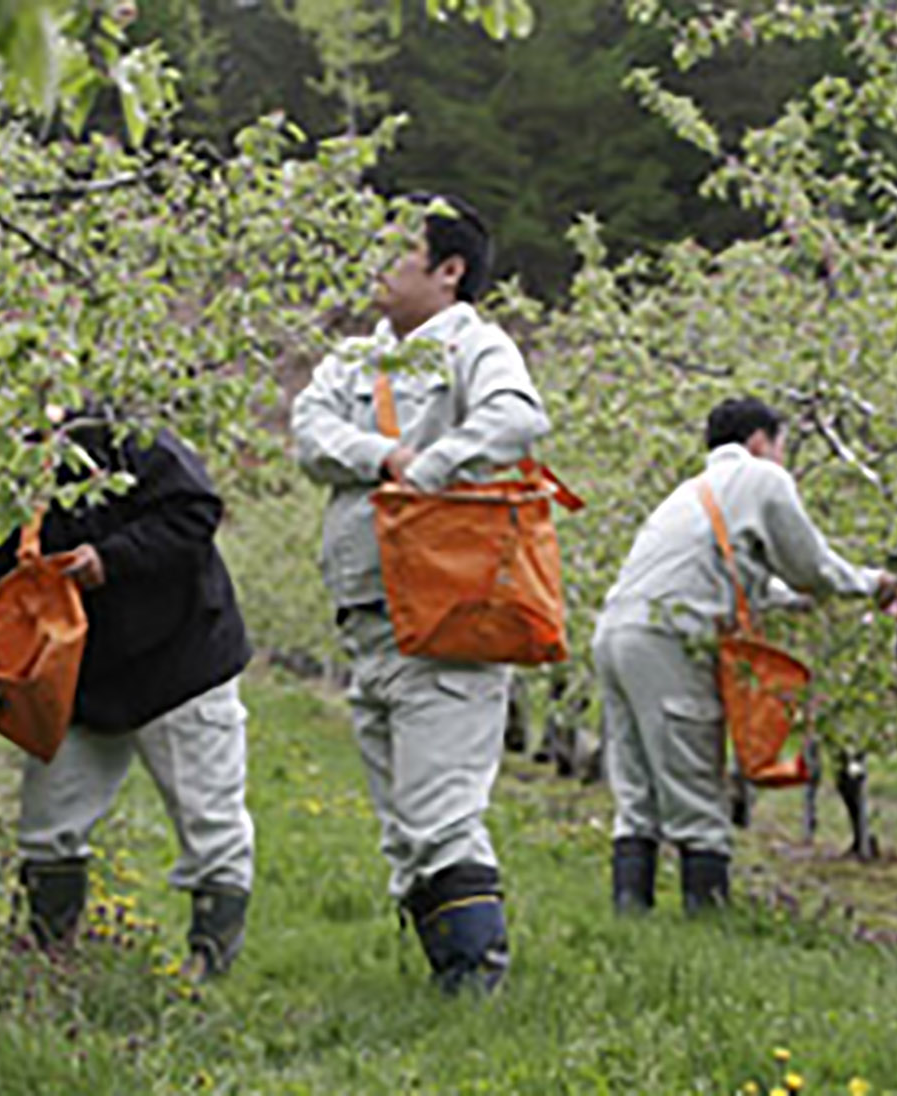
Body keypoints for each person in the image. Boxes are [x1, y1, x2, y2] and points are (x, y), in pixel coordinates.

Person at [0, 416, 255, 980]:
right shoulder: (0, 487)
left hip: (179, 661)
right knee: (48, 828)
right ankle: (53, 963)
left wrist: (111, 559)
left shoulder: (120, 432)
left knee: (210, 820)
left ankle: (209, 965)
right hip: (71, 679)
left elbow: (193, 510)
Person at [290, 196, 550, 993]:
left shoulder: (477, 343)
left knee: (439, 812)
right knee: (405, 823)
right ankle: (445, 977)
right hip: (370, 616)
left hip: (448, 611)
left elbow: (517, 419)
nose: (377, 265)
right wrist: (383, 456)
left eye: (397, 253)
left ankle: (475, 984)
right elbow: (308, 431)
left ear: (449, 270)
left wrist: (430, 471)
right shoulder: (354, 357)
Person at [594, 397, 897, 914]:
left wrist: (791, 600)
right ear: (761, 441)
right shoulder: (762, 478)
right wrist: (871, 584)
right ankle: (706, 920)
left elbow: (736, 574)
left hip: (617, 633)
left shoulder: (690, 492)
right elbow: (811, 565)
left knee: (638, 791)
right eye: (782, 446)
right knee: (695, 786)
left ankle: (632, 916)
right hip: (672, 638)